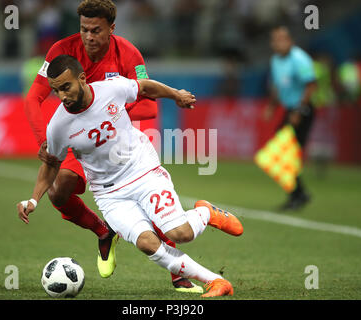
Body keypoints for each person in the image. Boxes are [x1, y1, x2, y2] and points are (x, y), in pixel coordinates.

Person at [17, 54, 244, 297]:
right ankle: (216, 282)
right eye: (56, 91)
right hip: (109, 194)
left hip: (143, 171)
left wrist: (176, 94)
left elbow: (144, 87)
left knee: (181, 234)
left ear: (82, 79)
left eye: (66, 87)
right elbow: (51, 165)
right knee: (147, 243)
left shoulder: (111, 89)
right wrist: (33, 199)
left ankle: (205, 212)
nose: (62, 96)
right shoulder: (58, 126)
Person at [23, 0, 199, 292]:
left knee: (147, 203)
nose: (89, 37)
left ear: (111, 28)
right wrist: (43, 140)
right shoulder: (61, 51)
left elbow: (148, 106)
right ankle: (104, 232)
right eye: (83, 30)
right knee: (57, 193)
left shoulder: (128, 54)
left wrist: (106, 116)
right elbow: (34, 98)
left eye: (95, 30)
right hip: (80, 141)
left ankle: (178, 273)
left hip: (115, 143)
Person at [264, 26, 317, 211]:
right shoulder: (276, 61)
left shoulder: (299, 59)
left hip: (303, 110)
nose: (277, 43)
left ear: (290, 41)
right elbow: (278, 86)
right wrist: (272, 106)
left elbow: (311, 85)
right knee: (282, 153)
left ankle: (298, 194)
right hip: (290, 109)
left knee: (285, 153)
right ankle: (298, 193)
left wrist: (299, 111)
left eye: (281, 39)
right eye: (274, 40)